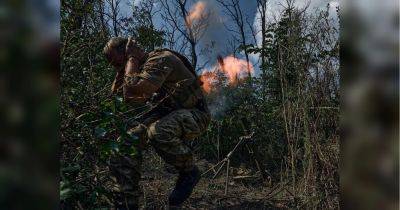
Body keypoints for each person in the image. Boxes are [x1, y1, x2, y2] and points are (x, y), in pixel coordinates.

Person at [103, 37, 210, 209]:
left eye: (118, 62)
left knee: (158, 131)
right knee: (124, 145)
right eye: (114, 65)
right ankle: (125, 204)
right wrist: (122, 68)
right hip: (165, 115)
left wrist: (132, 59)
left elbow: (133, 91)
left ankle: (189, 171)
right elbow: (117, 96)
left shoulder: (160, 59)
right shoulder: (137, 66)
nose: (118, 67)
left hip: (196, 115)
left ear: (128, 52)